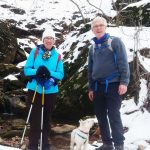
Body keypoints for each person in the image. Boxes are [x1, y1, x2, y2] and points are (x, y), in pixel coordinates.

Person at [88, 16, 130, 150]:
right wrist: (91, 88)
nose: (98, 28)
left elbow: (123, 62)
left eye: (101, 25)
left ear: (105, 27)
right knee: (101, 116)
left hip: (113, 85)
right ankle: (107, 144)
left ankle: (119, 145)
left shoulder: (115, 42)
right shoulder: (92, 47)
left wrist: (124, 82)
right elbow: (90, 69)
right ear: (92, 29)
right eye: (95, 26)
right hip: (98, 86)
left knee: (114, 115)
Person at [24, 28, 64, 150]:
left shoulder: (57, 56)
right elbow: (26, 70)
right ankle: (33, 145)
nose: (49, 40)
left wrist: (49, 74)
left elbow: (60, 74)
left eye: (51, 38)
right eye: (47, 38)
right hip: (35, 89)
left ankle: (45, 144)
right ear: (43, 39)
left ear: (54, 41)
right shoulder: (35, 52)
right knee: (35, 119)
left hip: (50, 91)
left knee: (46, 119)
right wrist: (38, 71)